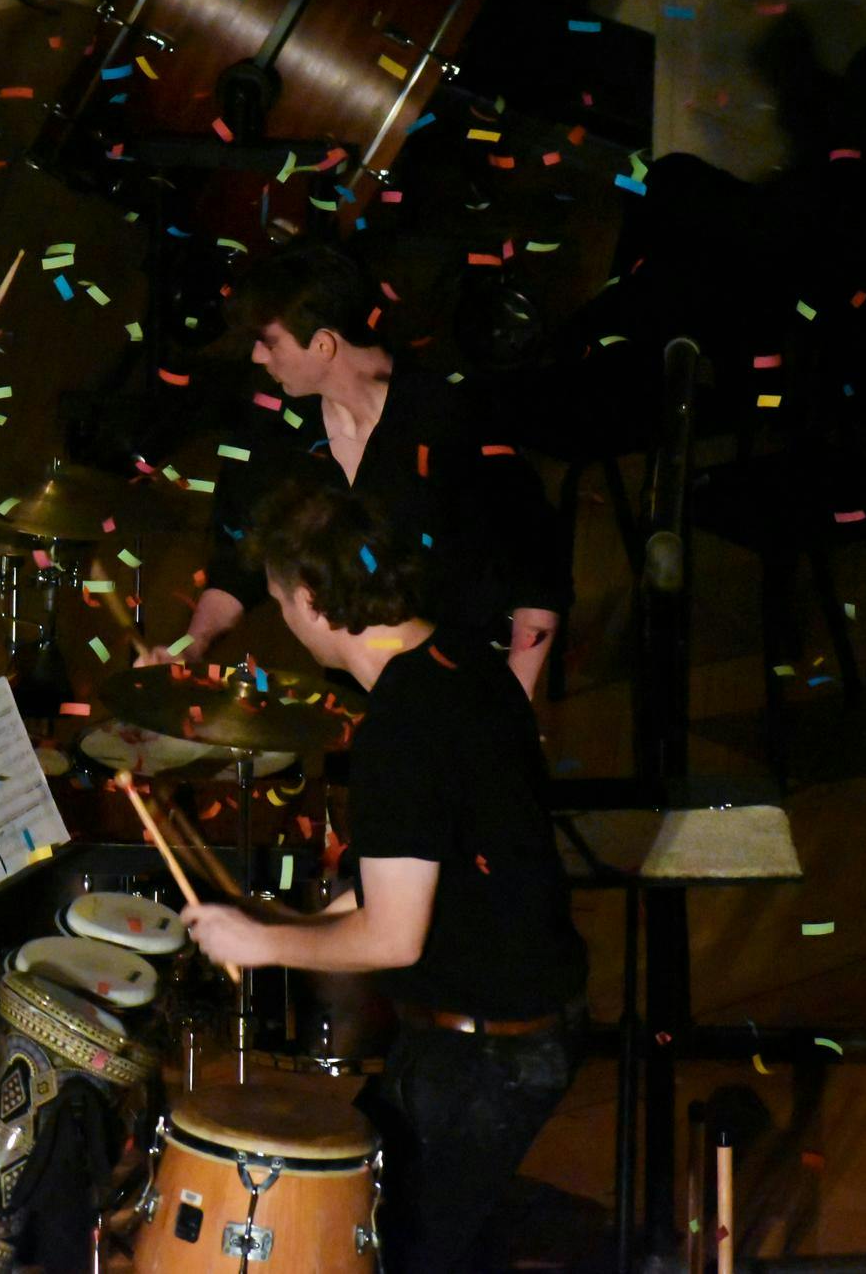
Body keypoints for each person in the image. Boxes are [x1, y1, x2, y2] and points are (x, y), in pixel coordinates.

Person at [181, 481, 588, 1273]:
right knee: (356, 1205)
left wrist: (263, 944)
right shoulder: (467, 663)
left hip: (490, 1053)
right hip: (508, 1023)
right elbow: (445, 866)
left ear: (310, 600)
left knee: (374, 1247)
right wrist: (298, 921)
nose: (285, 621)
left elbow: (394, 937)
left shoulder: (400, 728)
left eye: (280, 604)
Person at [140, 241, 569, 697]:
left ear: (323, 344)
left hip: (463, 682)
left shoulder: (454, 420)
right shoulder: (274, 427)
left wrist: (513, 703)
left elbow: (539, 569)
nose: (257, 357)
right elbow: (238, 562)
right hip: (356, 693)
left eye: (269, 342)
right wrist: (192, 645)